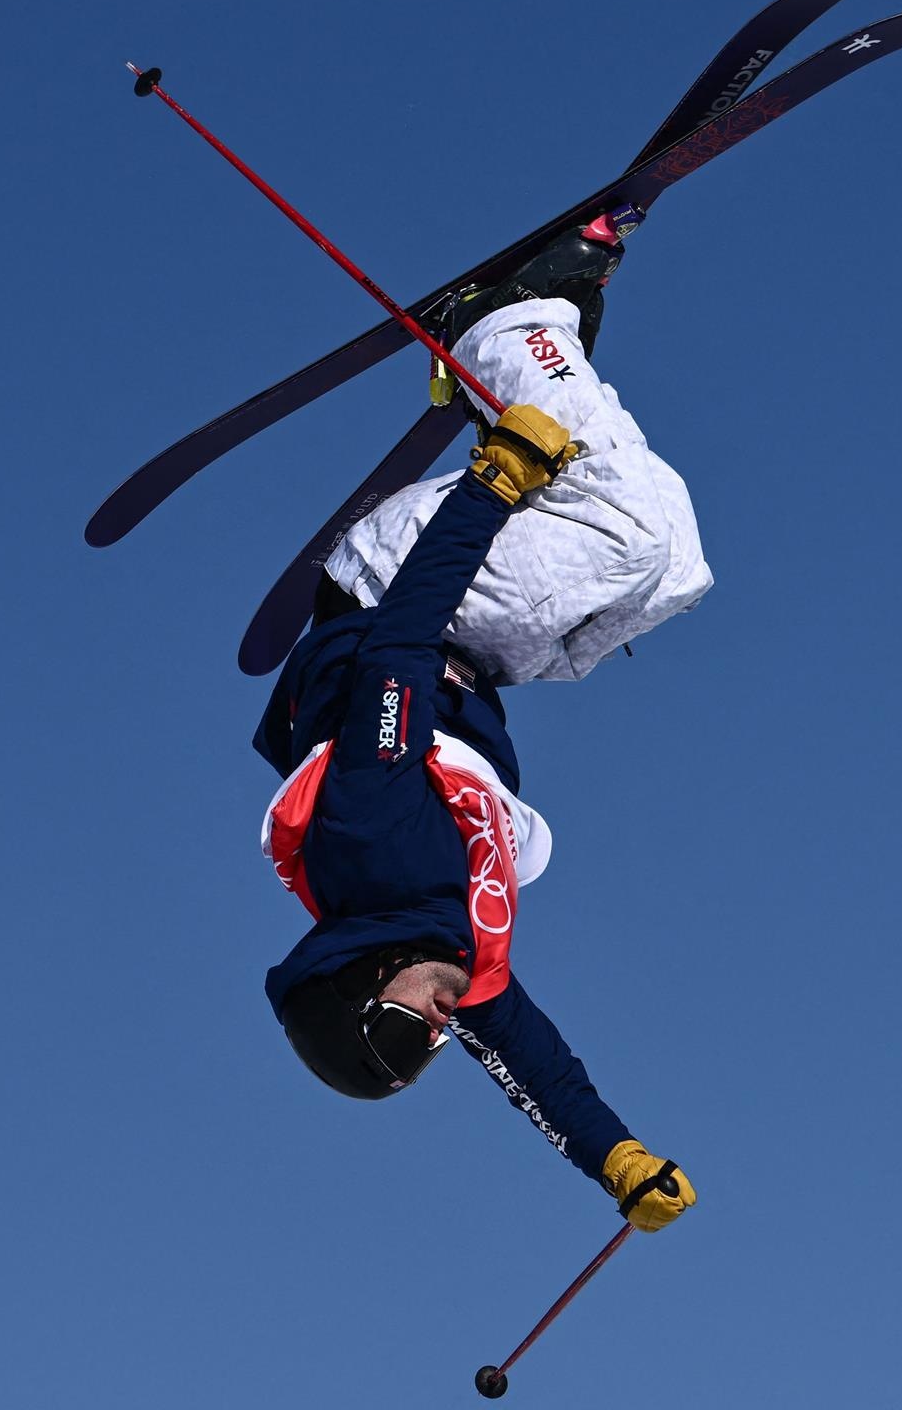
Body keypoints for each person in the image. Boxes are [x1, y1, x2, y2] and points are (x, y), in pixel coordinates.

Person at [251, 211, 708, 1232]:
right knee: (672, 562)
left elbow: (395, 652)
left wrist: (494, 488)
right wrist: (618, 1163)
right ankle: (533, 359)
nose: (442, 1029)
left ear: (366, 981)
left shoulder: (369, 845)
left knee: (621, 531)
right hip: (480, 647)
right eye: (431, 1057)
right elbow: (538, 1074)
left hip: (393, 591)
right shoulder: (463, 953)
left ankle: (502, 328)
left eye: (410, 1032)